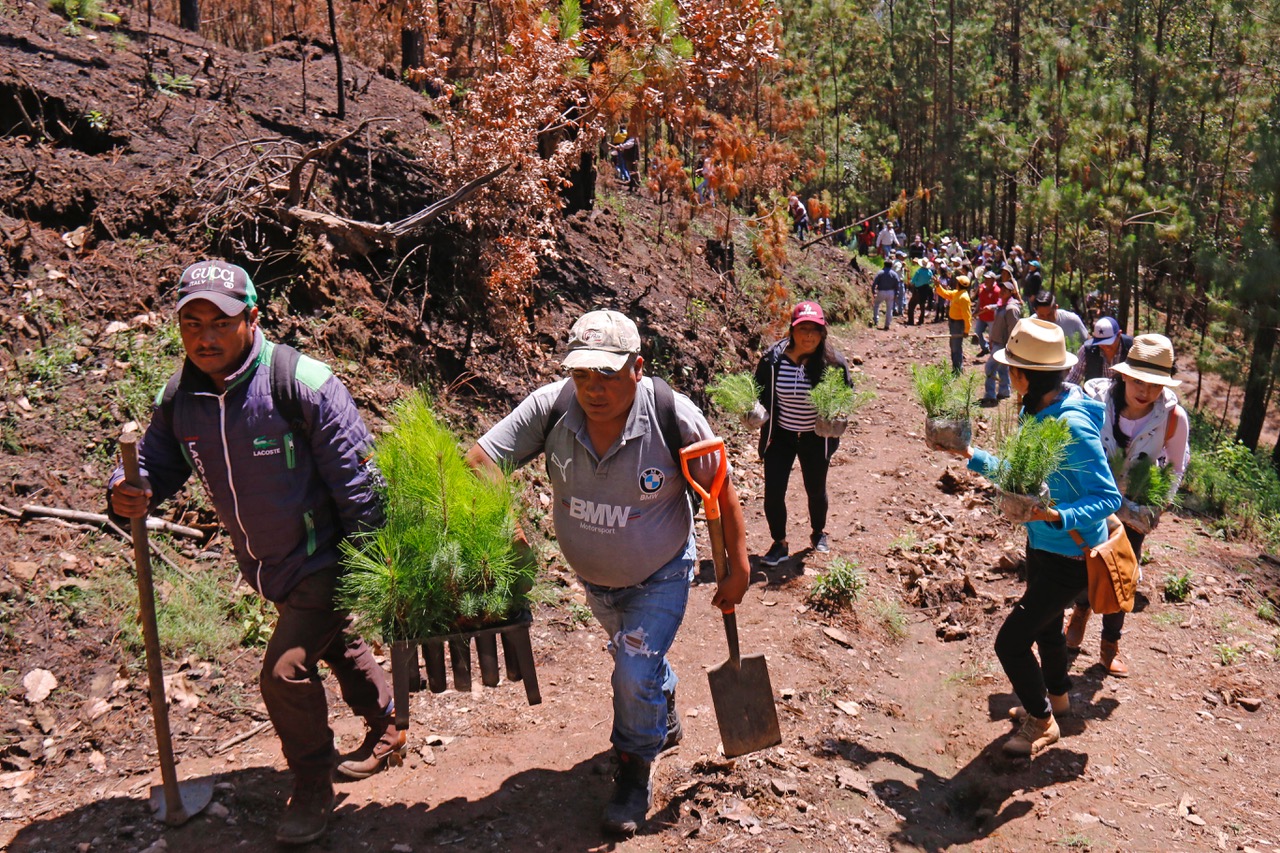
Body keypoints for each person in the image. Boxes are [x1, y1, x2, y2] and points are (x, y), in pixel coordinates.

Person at [107, 261, 399, 845]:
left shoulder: (299, 383)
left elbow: (358, 481)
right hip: (267, 562)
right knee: (335, 645)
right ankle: (388, 722)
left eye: (220, 321)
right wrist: (124, 491)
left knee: (284, 671)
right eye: (191, 323)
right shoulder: (181, 397)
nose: (205, 336)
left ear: (253, 320)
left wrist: (376, 568)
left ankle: (313, 781)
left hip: (327, 556)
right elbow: (154, 468)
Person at [465, 310, 749, 837]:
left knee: (631, 669)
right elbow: (480, 461)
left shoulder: (671, 413)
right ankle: (659, 704)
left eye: (608, 375)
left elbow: (719, 486)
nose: (593, 389)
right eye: (582, 375)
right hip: (596, 582)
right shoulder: (552, 408)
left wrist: (739, 565)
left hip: (662, 570)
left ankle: (633, 769)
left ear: (637, 368)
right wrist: (508, 529)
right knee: (638, 666)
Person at [942, 318, 1121, 756]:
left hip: (1071, 557)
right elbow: (1022, 480)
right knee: (1046, 630)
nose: (1007, 373)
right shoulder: (1038, 408)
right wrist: (972, 455)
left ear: (1025, 375)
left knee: (1011, 642)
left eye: (1012, 368)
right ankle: (1057, 702)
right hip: (1042, 546)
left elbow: (1108, 496)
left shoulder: (1069, 424)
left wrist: (1058, 515)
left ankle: (1041, 721)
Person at [1067, 334, 1190, 676]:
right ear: (1123, 374)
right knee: (1084, 559)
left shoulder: (1173, 418)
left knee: (1122, 570)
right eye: (1138, 380)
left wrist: (1158, 505)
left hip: (1133, 504)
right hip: (1092, 494)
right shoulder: (1095, 398)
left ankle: (1110, 644)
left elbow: (1177, 467)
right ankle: (1079, 613)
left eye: (1154, 384)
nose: (1145, 391)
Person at [754, 302, 853, 566]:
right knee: (773, 492)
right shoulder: (772, 360)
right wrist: (749, 409)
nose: (808, 335)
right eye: (803, 329)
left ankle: (818, 531)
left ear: (823, 333)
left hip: (815, 438)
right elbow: (757, 391)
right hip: (781, 435)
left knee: (815, 488)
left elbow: (846, 398)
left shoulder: (832, 363)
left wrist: (837, 415)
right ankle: (779, 543)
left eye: (815, 330)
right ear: (792, 330)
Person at [981, 276, 1021, 405]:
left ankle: (990, 394)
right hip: (997, 342)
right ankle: (1004, 391)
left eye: (1006, 289)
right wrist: (990, 307)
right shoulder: (1001, 304)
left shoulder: (1011, 309)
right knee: (1003, 369)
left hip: (1004, 345)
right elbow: (998, 308)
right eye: (1002, 288)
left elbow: (1014, 330)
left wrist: (1010, 347)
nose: (1002, 290)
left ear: (1011, 292)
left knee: (990, 367)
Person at [1067, 316, 1133, 385]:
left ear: (1119, 335)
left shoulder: (1131, 348)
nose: (1105, 347)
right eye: (1101, 343)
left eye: (1109, 343)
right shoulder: (1087, 350)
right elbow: (1073, 379)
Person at [934, 274, 972, 373]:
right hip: (953, 323)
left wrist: (966, 330)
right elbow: (946, 294)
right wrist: (938, 286)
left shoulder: (963, 297)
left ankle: (958, 369)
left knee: (956, 347)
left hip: (958, 324)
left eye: (957, 282)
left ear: (960, 284)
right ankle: (956, 367)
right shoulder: (957, 293)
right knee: (953, 345)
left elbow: (967, 315)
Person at [973, 269, 1001, 357]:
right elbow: (980, 300)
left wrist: (991, 307)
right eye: (985, 278)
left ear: (993, 280)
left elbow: (999, 305)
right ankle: (985, 348)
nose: (986, 280)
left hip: (992, 318)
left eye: (988, 279)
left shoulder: (997, 291)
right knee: (977, 333)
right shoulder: (982, 287)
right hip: (981, 316)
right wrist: (976, 310)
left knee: (992, 338)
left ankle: (993, 355)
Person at [872, 259, 900, 330]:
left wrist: (873, 291)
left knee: (876, 304)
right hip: (891, 292)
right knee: (889, 308)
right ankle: (887, 324)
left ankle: (876, 320)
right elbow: (897, 285)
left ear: (884, 265)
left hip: (881, 291)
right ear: (891, 265)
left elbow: (874, 283)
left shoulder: (880, 273)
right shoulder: (894, 274)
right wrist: (897, 294)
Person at [906, 260, 934, 326]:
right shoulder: (930, 272)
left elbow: (913, 281)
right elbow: (931, 281)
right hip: (925, 289)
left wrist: (911, 283)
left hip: (918, 289)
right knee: (922, 305)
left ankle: (911, 321)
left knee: (911, 305)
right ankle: (921, 320)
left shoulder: (919, 271)